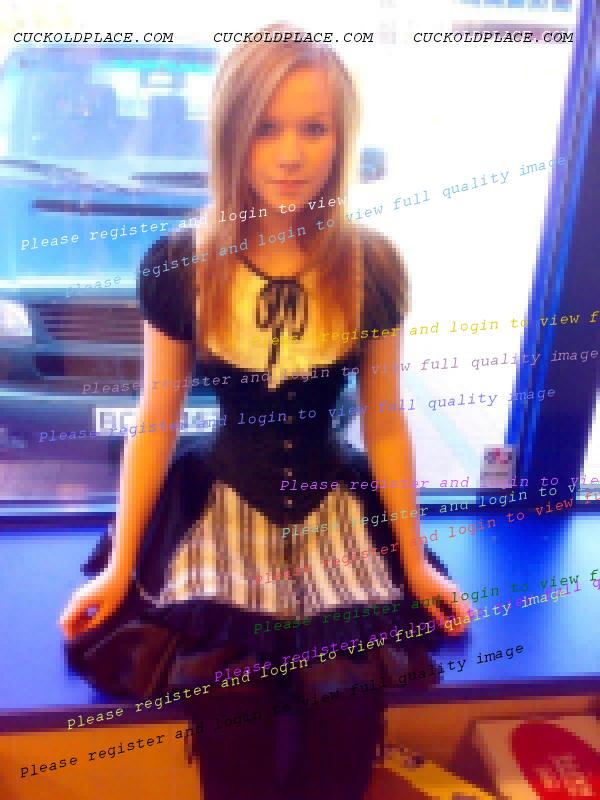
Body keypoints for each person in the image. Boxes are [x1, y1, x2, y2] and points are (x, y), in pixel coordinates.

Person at [59, 23, 470, 800]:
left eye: (314, 129)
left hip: (334, 509)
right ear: (230, 135)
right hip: (219, 505)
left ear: (342, 138)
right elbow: (156, 415)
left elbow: (384, 418)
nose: (290, 155)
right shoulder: (182, 261)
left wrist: (415, 561)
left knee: (345, 704)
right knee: (229, 700)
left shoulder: (374, 264)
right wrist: (119, 565)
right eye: (265, 129)